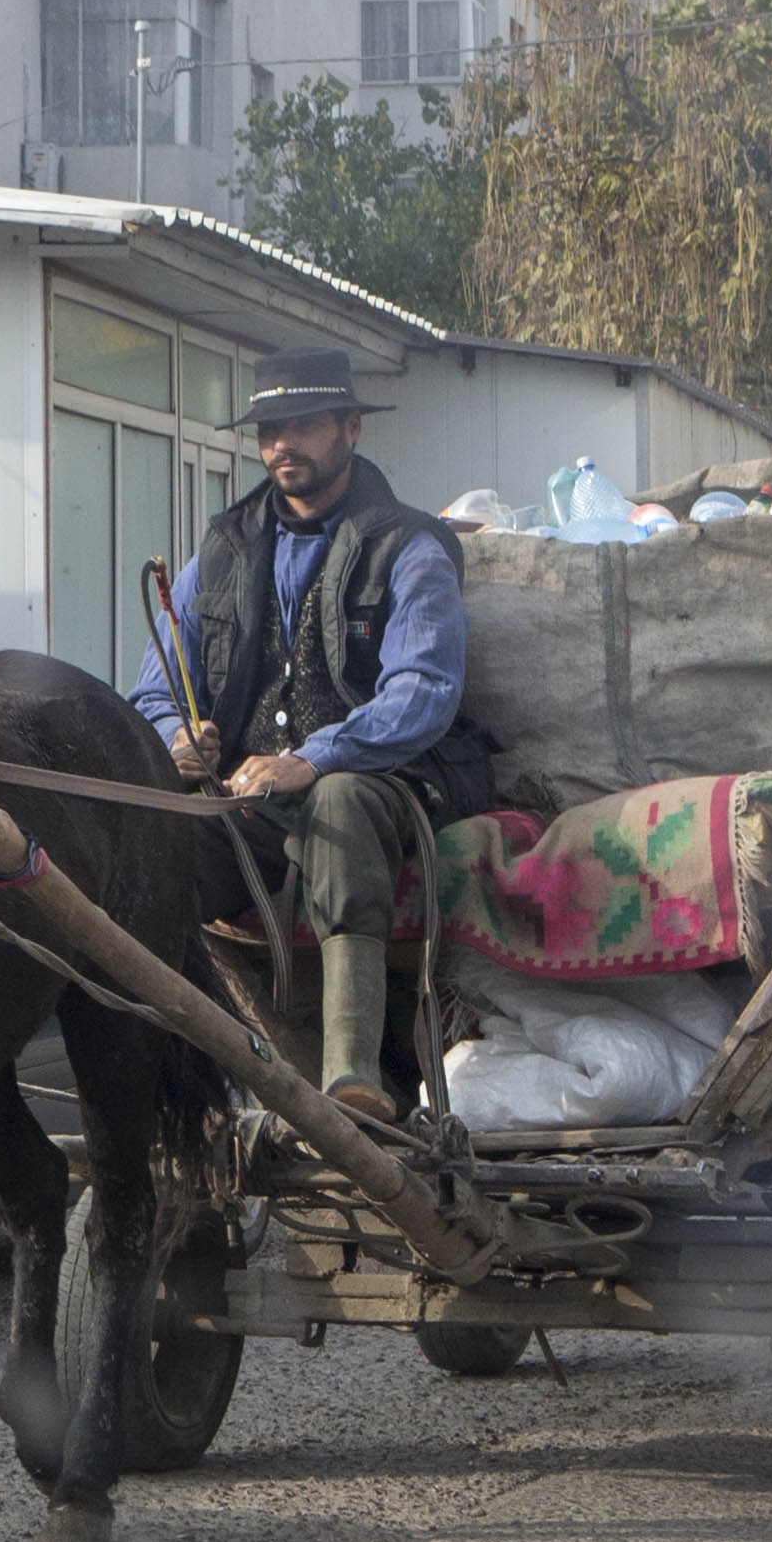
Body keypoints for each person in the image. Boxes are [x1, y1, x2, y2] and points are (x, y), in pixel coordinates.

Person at [127, 347, 485, 1122]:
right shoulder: (216, 553)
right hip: (251, 802)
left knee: (341, 801)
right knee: (153, 846)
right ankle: (179, 1090)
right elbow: (153, 687)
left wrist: (311, 759)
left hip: (392, 781)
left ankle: (350, 1077)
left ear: (351, 428)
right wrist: (174, 735)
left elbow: (424, 692)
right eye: (269, 428)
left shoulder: (411, 547)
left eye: (304, 424)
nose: (282, 442)